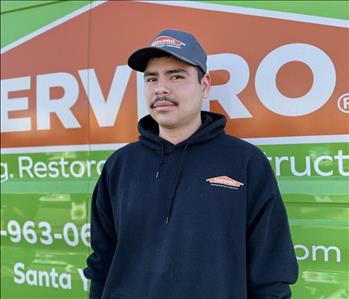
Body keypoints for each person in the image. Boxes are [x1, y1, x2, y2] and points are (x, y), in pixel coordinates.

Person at [84, 29, 298, 299]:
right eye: (152, 79)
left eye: (176, 76)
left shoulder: (245, 163)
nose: (161, 87)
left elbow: (271, 275)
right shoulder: (120, 166)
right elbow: (102, 262)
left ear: (205, 84)